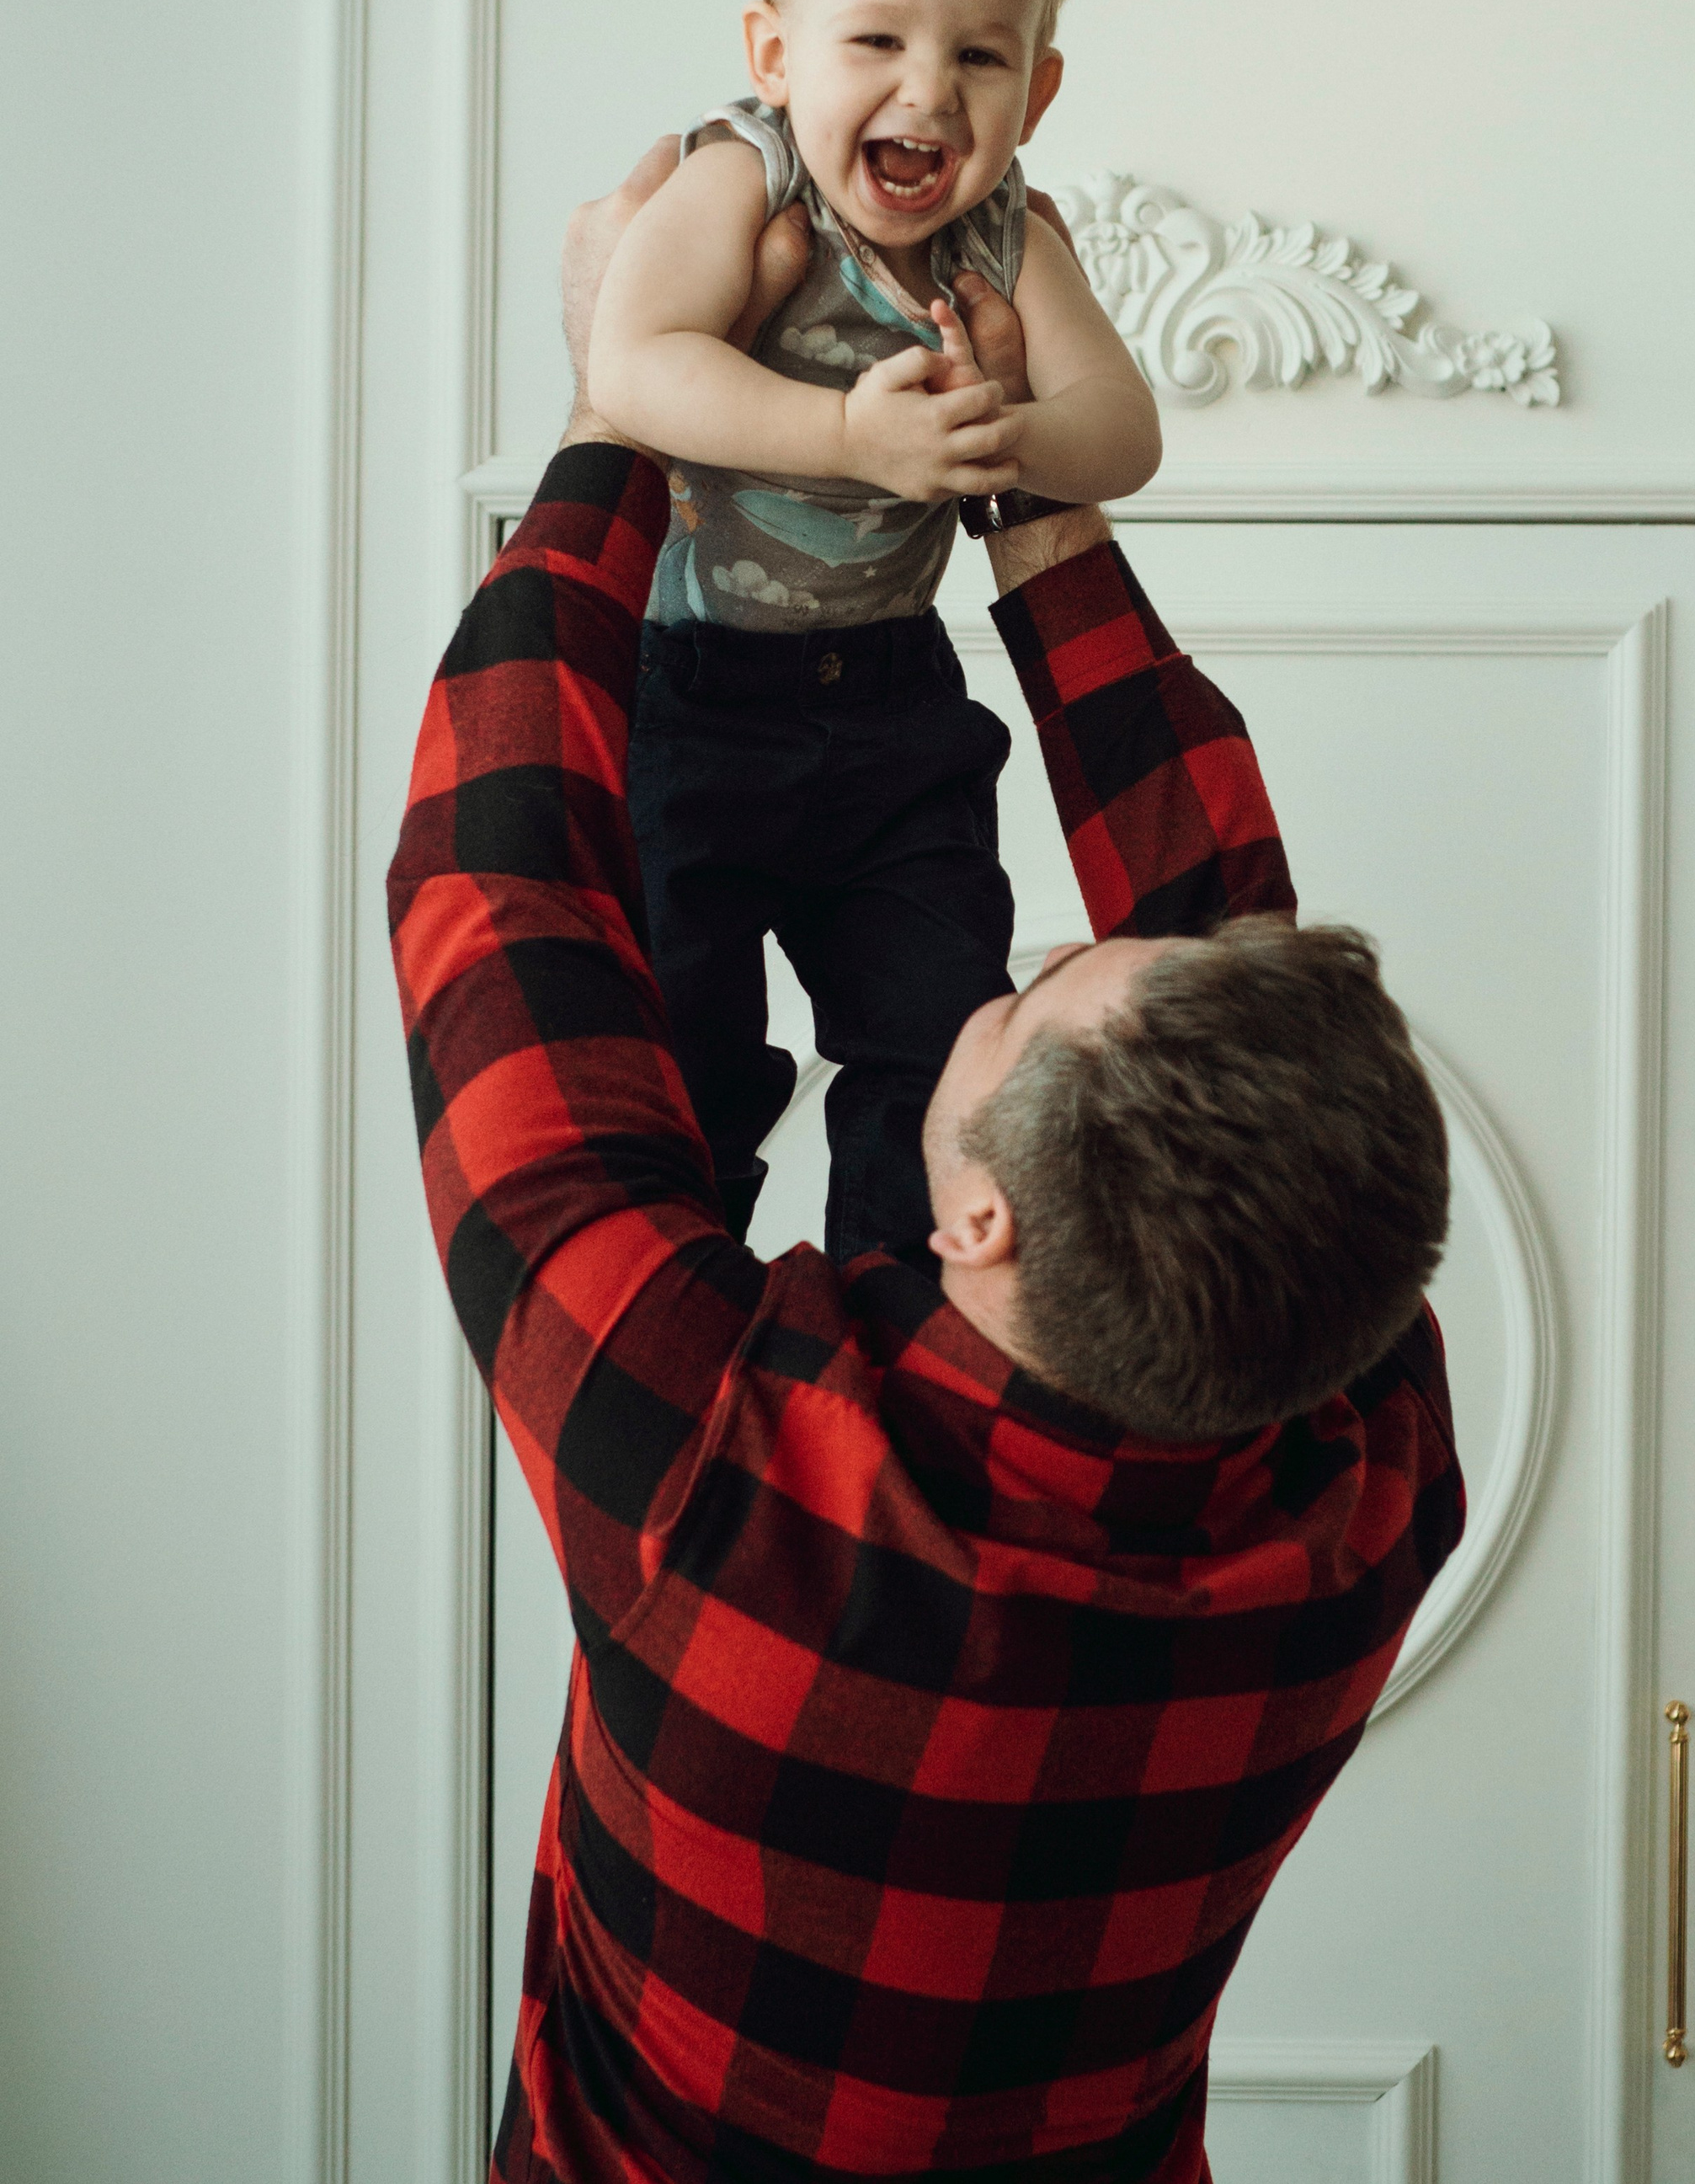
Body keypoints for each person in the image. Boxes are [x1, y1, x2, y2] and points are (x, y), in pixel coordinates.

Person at [386, 145, 1465, 2184]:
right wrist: (1020, 487)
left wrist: (618, 412)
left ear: (978, 1214)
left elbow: (496, 890)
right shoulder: (1349, 1498)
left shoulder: (717, 1493)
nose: (1039, 957)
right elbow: (1228, 982)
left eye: (1034, 1001)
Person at [584, 0, 1161, 1263]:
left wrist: (1007, 429)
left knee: (941, 1046)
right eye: (877, 40)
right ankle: (695, 1318)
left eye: (980, 56)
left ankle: (901, 1315)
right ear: (777, 54)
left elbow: (1125, 429)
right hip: (692, 708)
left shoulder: (1006, 231)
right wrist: (851, 435)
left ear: (1037, 91)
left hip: (895, 715)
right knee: (683, 1060)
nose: (929, 90)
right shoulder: (747, 174)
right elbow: (633, 359)